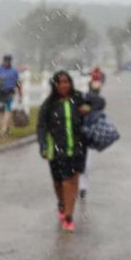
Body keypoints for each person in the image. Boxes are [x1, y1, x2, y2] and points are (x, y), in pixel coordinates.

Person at [37, 70, 87, 232]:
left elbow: (99, 101)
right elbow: (41, 127)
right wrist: (44, 146)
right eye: (61, 82)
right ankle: (61, 203)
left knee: (71, 180)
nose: (65, 85)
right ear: (55, 85)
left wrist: (89, 107)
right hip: (56, 150)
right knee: (59, 182)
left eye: (67, 82)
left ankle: (69, 215)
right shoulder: (49, 104)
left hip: (78, 149)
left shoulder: (78, 99)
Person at [77, 76, 107, 200]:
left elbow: (99, 102)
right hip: (77, 134)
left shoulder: (98, 101)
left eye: (98, 84)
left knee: (86, 163)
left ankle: (83, 186)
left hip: (88, 135)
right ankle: (76, 185)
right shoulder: (80, 99)